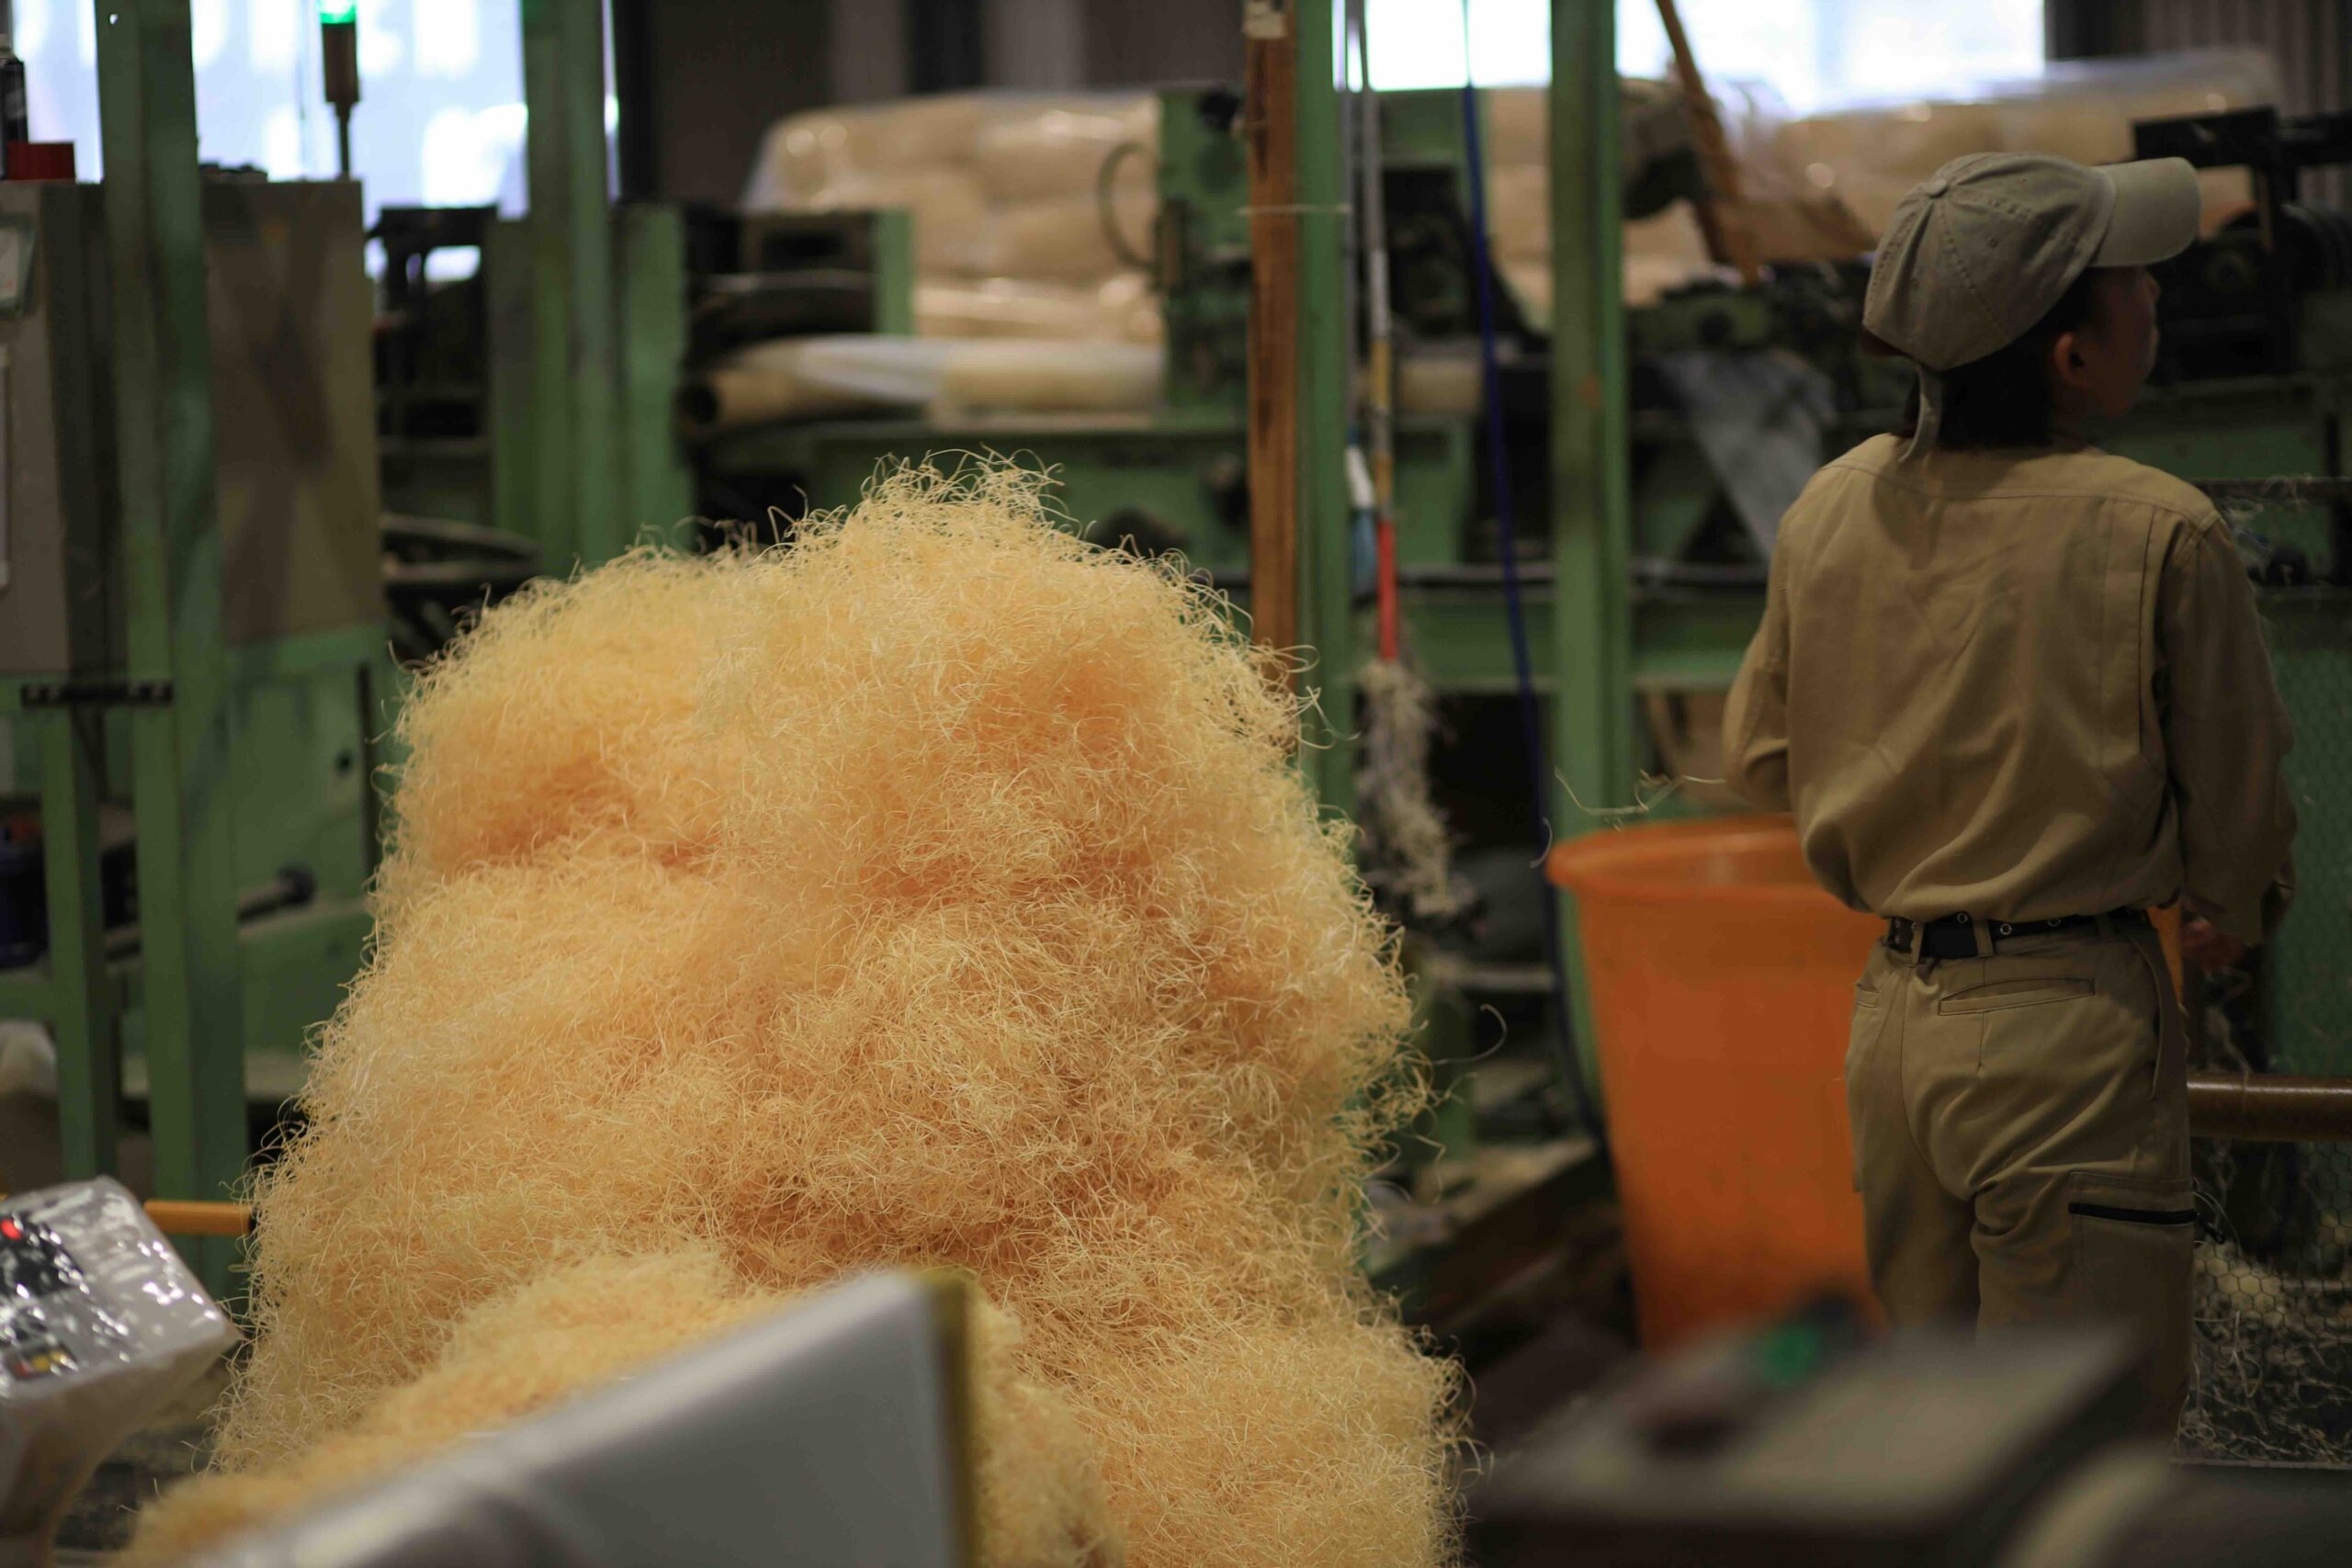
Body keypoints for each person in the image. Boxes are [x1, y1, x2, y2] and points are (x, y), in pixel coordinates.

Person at [1721, 151, 2297, 1428]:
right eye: (2131, 285)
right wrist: (2229, 906)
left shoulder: (1828, 507)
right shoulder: (2159, 527)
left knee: (1940, 1449)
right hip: (2066, 1038)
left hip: (1895, 1028)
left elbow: (1762, 760)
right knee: (2077, 1451)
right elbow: (2240, 811)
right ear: (2071, 356)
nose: (2154, 296)